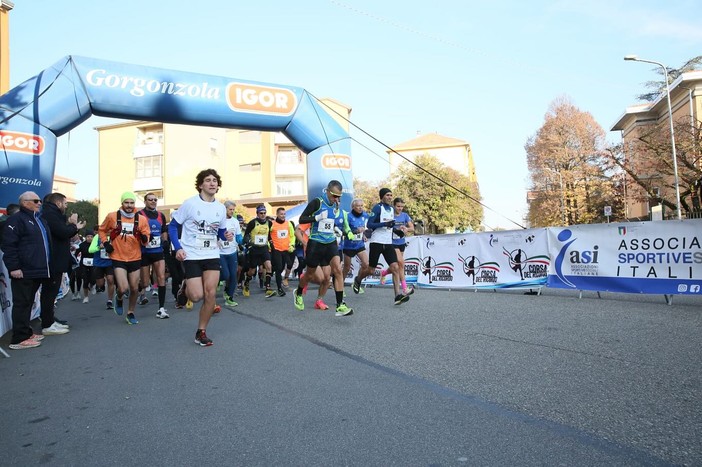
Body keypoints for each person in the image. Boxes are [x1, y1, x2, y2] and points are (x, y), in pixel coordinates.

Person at [168, 169, 233, 347]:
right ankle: (185, 288)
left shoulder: (220, 208)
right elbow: (173, 227)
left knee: (211, 292)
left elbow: (219, 231)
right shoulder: (190, 204)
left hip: (211, 253)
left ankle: (201, 332)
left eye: (215, 180)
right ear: (200, 185)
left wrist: (225, 235)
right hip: (192, 254)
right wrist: (178, 248)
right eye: (208, 180)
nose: (212, 183)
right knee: (196, 296)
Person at [1, 192, 59, 349]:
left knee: (28, 302)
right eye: (36, 200)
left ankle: (26, 332)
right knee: (22, 303)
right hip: (24, 270)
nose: (39, 203)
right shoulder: (16, 220)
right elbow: (9, 245)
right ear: (24, 202)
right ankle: (18, 339)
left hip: (37, 269)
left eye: (40, 200)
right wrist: (14, 267)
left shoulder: (37, 219)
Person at [293, 180, 353, 316]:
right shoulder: (317, 202)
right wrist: (317, 217)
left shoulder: (336, 206)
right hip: (316, 243)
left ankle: (340, 305)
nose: (336, 199)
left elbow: (331, 223)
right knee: (309, 274)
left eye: (339, 196)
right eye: (334, 195)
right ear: (327, 191)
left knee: (337, 270)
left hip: (330, 242)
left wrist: (337, 230)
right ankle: (298, 292)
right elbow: (302, 219)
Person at [98, 192, 151, 325]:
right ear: (122, 203)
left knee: (134, 288)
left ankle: (130, 312)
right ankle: (119, 296)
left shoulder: (141, 219)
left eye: (131, 203)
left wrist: (145, 238)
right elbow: (102, 230)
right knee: (123, 288)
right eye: (126, 202)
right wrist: (105, 243)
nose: (129, 205)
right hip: (118, 256)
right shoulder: (112, 216)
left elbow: (146, 234)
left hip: (135, 257)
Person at [352, 187, 410, 306]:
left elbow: (390, 224)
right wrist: (384, 224)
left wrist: (396, 231)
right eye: (387, 195)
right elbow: (370, 224)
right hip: (377, 242)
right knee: (371, 270)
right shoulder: (378, 207)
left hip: (388, 243)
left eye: (391, 195)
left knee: (395, 267)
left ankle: (397, 296)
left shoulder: (391, 209)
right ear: (382, 196)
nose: (390, 197)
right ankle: (358, 279)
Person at [41, 192, 86, 327]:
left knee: (52, 293)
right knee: (49, 293)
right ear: (59, 203)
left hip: (57, 259)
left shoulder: (53, 214)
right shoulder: (50, 215)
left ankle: (50, 319)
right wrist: (73, 225)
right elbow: (62, 232)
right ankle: (48, 323)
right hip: (54, 260)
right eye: (65, 204)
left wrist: (73, 228)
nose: (66, 207)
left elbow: (63, 233)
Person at [138, 193, 170, 319]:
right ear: (145, 201)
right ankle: (141, 292)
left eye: (155, 200)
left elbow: (163, 230)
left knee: (161, 277)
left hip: (157, 251)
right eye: (150, 200)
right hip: (144, 252)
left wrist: (166, 241)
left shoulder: (161, 215)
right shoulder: (139, 215)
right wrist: (143, 237)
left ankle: (161, 308)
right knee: (145, 282)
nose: (153, 202)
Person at [378, 197, 415, 295]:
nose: (400, 208)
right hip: (392, 243)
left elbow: (412, 228)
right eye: (398, 206)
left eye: (402, 207)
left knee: (398, 266)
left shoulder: (405, 215)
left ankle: (384, 273)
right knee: (401, 263)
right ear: (394, 206)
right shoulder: (390, 215)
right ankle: (405, 288)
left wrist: (406, 229)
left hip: (401, 242)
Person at [242, 205, 275, 298]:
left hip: (264, 248)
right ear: (257, 214)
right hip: (254, 249)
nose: (263, 215)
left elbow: (268, 235)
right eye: (261, 213)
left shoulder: (269, 223)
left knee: (269, 266)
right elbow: (246, 234)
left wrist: (271, 244)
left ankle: (268, 288)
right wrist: (248, 242)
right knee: (252, 271)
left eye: (264, 213)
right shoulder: (252, 223)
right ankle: (247, 283)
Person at [343, 198, 370, 294]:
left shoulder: (365, 215)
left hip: (359, 245)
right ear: (353, 207)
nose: (360, 208)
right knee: (346, 268)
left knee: (366, 264)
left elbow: (366, 228)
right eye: (358, 206)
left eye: (362, 206)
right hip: (349, 246)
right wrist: (355, 231)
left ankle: (357, 281)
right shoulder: (348, 216)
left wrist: (364, 235)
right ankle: (340, 286)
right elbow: (344, 232)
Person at [219, 201, 243, 307]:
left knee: (233, 275)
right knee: (225, 274)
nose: (232, 211)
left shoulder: (235, 221)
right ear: (225, 209)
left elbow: (238, 235)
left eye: (233, 210)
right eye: (230, 209)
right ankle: (216, 280)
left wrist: (241, 241)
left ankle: (229, 297)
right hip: (220, 252)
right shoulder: (219, 221)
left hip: (232, 251)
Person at [269, 207, 296, 297]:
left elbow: (292, 236)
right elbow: (268, 235)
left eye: (284, 214)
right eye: (281, 214)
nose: (283, 216)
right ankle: (279, 288)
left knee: (286, 265)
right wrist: (270, 246)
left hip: (286, 250)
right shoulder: (272, 224)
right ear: (277, 214)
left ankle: (271, 275)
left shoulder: (288, 224)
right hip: (276, 250)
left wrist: (292, 245)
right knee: (279, 268)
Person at [88, 229, 116, 310]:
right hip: (98, 263)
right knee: (100, 284)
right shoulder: (97, 237)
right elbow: (90, 250)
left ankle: (109, 301)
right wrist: (98, 247)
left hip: (110, 263)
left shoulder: (114, 237)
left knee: (110, 280)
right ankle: (101, 285)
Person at [77, 230, 96, 303]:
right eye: (88, 236)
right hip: (84, 264)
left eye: (91, 237)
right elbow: (76, 252)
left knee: (93, 278)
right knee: (85, 280)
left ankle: (92, 285)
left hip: (93, 264)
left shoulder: (95, 245)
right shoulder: (82, 245)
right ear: (85, 237)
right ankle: (86, 297)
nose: (89, 238)